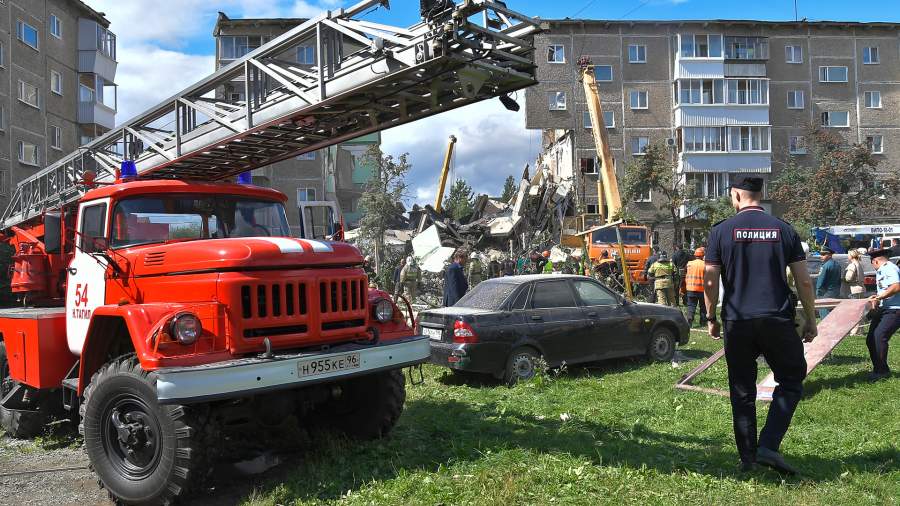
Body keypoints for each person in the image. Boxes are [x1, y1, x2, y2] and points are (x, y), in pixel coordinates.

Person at [703, 176, 817, 475]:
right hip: (777, 319)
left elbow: (710, 280)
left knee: (742, 391)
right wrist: (811, 319)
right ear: (760, 195)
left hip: (737, 321)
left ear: (735, 196)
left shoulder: (720, 232)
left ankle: (748, 458)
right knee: (791, 380)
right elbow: (804, 280)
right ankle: (768, 445)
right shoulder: (784, 230)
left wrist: (711, 318)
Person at [865, 248, 900, 381]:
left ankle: (882, 372)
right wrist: (878, 296)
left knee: (879, 336)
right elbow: (887, 288)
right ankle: (879, 369)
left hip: (895, 309)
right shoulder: (884, 269)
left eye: (872, 263)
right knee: (871, 339)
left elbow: (896, 286)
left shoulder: (888, 268)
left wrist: (879, 298)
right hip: (885, 309)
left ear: (875, 261)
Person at [684, 247, 707, 328]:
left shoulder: (689, 263)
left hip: (690, 288)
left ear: (695, 255)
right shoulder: (705, 264)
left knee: (691, 305)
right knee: (703, 306)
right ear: (702, 255)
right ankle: (703, 322)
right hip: (702, 289)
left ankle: (690, 318)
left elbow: (685, 273)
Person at [815, 248, 842, 318]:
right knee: (833, 316)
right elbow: (839, 281)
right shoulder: (838, 265)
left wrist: (818, 293)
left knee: (825, 316)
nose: (821, 256)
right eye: (821, 254)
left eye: (823, 254)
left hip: (825, 294)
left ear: (830, 255)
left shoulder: (825, 266)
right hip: (835, 294)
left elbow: (820, 283)